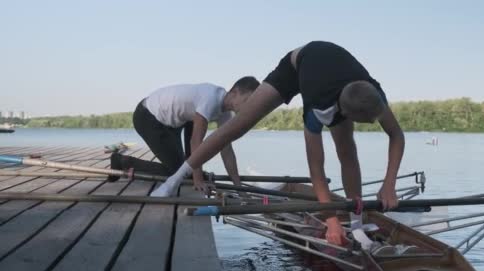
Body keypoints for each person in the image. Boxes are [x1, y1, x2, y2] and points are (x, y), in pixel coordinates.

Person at [152, 41, 405, 246]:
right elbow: (316, 168)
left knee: (347, 151)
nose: (374, 124)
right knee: (237, 127)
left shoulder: (373, 95)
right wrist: (331, 220)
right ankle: (172, 180)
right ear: (346, 113)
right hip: (295, 66)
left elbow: (397, 135)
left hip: (335, 75)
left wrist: (389, 183)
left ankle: (357, 225)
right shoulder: (317, 107)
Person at [110, 77, 260, 191]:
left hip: (173, 123)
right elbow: (196, 141)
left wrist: (238, 186)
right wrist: (198, 180)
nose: (249, 106)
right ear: (234, 93)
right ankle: (122, 161)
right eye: (247, 100)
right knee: (177, 172)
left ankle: (193, 173)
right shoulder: (211, 99)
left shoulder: (226, 114)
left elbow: (227, 150)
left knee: (187, 168)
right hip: (148, 116)